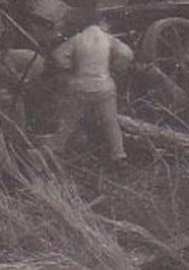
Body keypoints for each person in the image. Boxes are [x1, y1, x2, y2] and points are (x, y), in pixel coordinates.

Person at [45, 15, 134, 163]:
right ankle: (119, 155)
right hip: (104, 86)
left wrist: (70, 67)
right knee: (111, 121)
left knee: (69, 120)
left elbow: (58, 55)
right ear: (100, 23)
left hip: (80, 86)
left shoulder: (78, 38)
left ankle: (56, 149)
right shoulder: (108, 39)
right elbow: (128, 54)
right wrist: (116, 66)